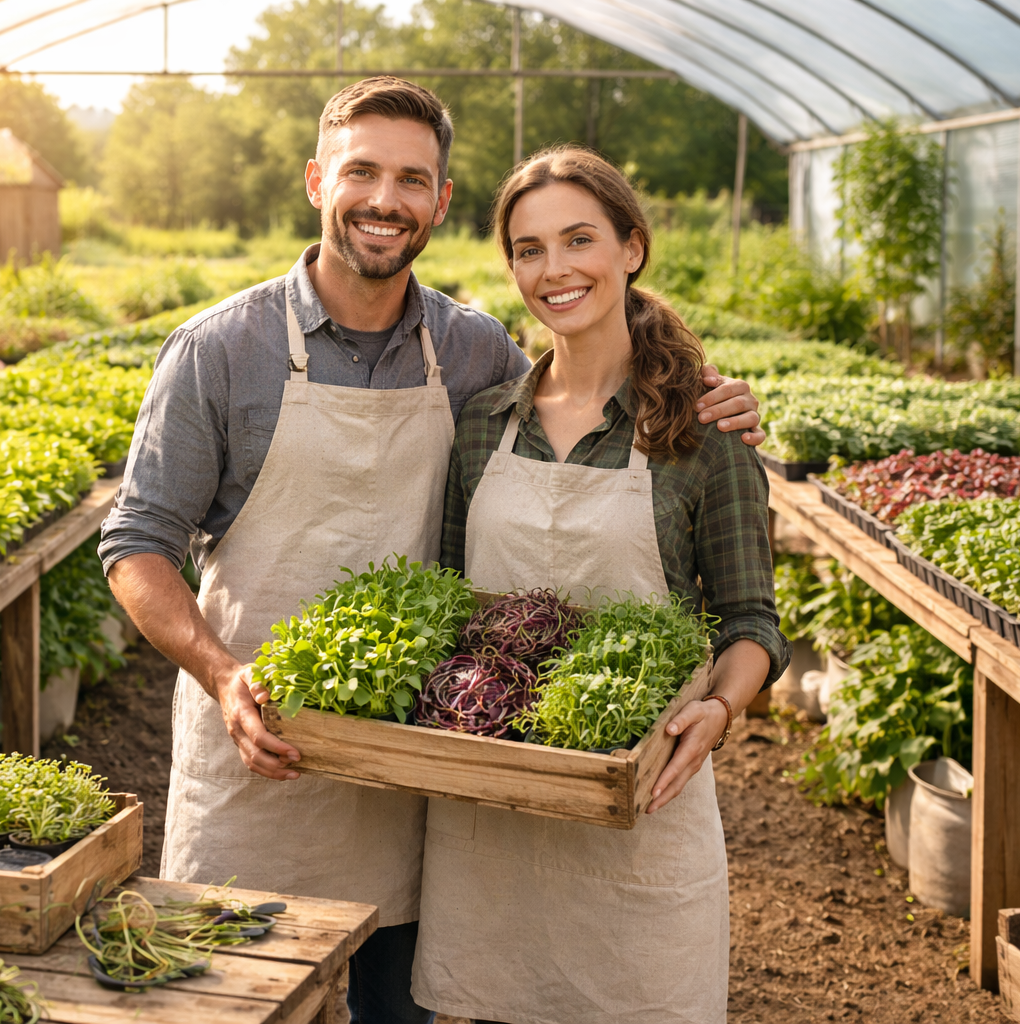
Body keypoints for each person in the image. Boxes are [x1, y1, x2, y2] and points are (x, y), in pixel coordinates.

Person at [99, 81, 764, 1024]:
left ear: (440, 203)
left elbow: (593, 387)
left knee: (402, 1008)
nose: (385, 199)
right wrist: (222, 675)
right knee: (231, 1002)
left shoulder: (476, 354)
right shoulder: (220, 351)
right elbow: (135, 541)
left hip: (425, 772)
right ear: (316, 179)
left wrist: (707, 398)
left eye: (413, 179)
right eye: (362, 170)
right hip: (262, 751)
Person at [410, 145, 791, 1024]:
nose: (555, 270)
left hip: (640, 810)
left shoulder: (703, 432)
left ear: (631, 247)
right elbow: (444, 601)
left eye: (579, 239)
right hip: (491, 815)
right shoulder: (481, 428)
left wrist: (721, 708)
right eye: (529, 249)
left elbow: (752, 623)